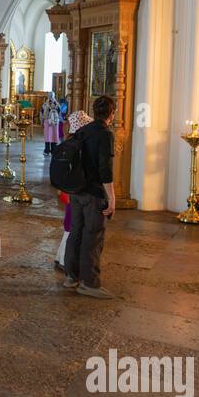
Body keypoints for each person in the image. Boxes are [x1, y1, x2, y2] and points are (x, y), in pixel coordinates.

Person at [63, 95, 116, 299]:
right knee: (92, 236)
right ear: (111, 113)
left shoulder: (82, 131)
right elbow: (105, 169)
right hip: (94, 194)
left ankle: (71, 276)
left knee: (76, 232)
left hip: (77, 192)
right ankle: (90, 283)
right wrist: (111, 197)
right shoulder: (104, 134)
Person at [54, 110, 94, 271]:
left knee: (70, 224)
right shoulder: (77, 147)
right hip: (75, 191)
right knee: (73, 225)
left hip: (67, 190)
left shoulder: (68, 144)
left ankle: (61, 256)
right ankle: (65, 259)